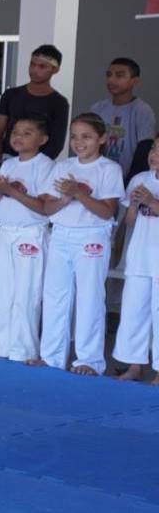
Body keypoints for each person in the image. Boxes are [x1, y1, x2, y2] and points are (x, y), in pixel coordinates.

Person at [36, 113, 124, 375]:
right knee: (55, 296)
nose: (78, 142)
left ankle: (89, 360)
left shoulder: (109, 168)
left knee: (89, 297)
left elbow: (107, 211)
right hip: (61, 234)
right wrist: (65, 199)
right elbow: (47, 208)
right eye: (74, 136)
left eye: (86, 136)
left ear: (102, 139)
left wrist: (78, 193)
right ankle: (51, 356)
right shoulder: (63, 166)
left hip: (92, 237)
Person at [0, 117, 54, 362]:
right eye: (15, 132)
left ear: (42, 139)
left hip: (30, 233)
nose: (18, 137)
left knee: (26, 294)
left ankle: (23, 349)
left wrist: (10, 190)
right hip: (6, 231)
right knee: (1, 291)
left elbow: (44, 208)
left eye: (27, 133)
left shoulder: (45, 166)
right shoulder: (8, 164)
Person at [113, 140, 159, 382]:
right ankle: (134, 365)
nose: (155, 154)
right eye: (154, 149)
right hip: (140, 255)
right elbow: (130, 221)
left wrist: (152, 201)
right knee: (134, 311)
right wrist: (134, 204)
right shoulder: (140, 179)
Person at [0, 44, 70, 160]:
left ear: (55, 70)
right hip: (7, 159)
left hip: (39, 163)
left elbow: (56, 143)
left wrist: (38, 165)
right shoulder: (11, 94)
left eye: (42, 66)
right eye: (32, 64)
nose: (34, 70)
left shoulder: (59, 103)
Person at [90, 57, 155, 170]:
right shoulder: (97, 108)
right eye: (109, 75)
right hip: (98, 174)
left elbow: (144, 150)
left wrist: (132, 178)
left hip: (128, 176)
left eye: (119, 76)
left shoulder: (143, 111)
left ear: (135, 81)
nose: (111, 80)